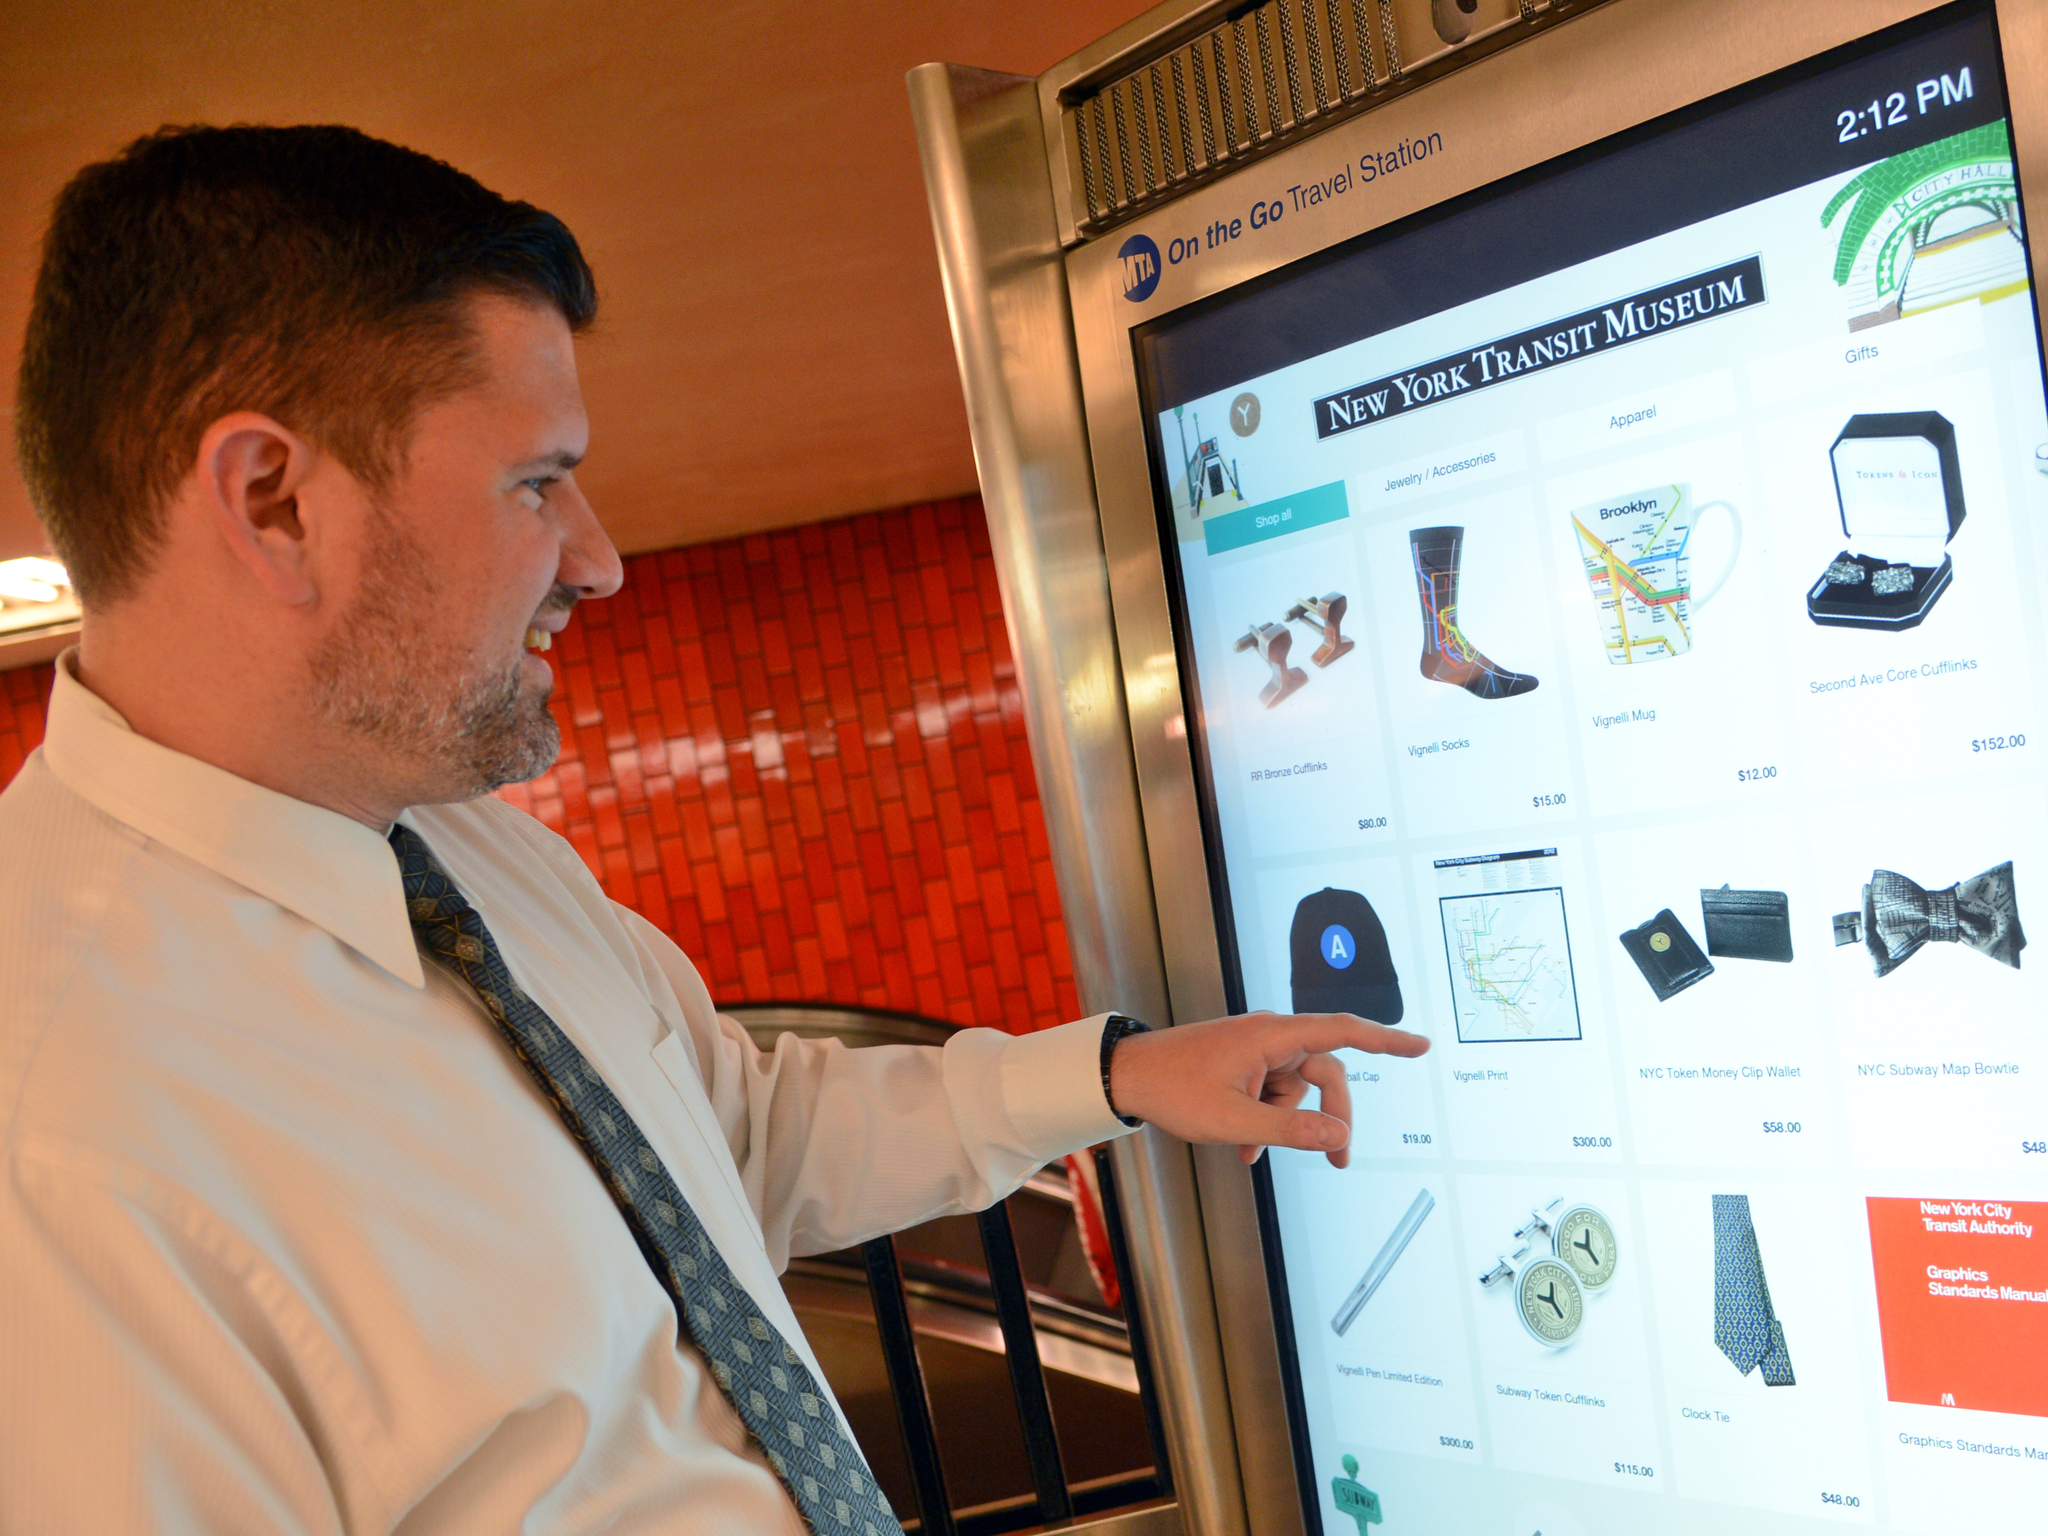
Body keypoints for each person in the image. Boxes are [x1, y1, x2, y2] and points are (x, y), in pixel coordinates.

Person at [0, 125, 1428, 1534]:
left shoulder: (466, 853)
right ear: (274, 501)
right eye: (536, 483)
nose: (599, 560)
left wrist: (1120, 1075)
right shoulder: (56, 1139)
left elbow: (732, 1134)